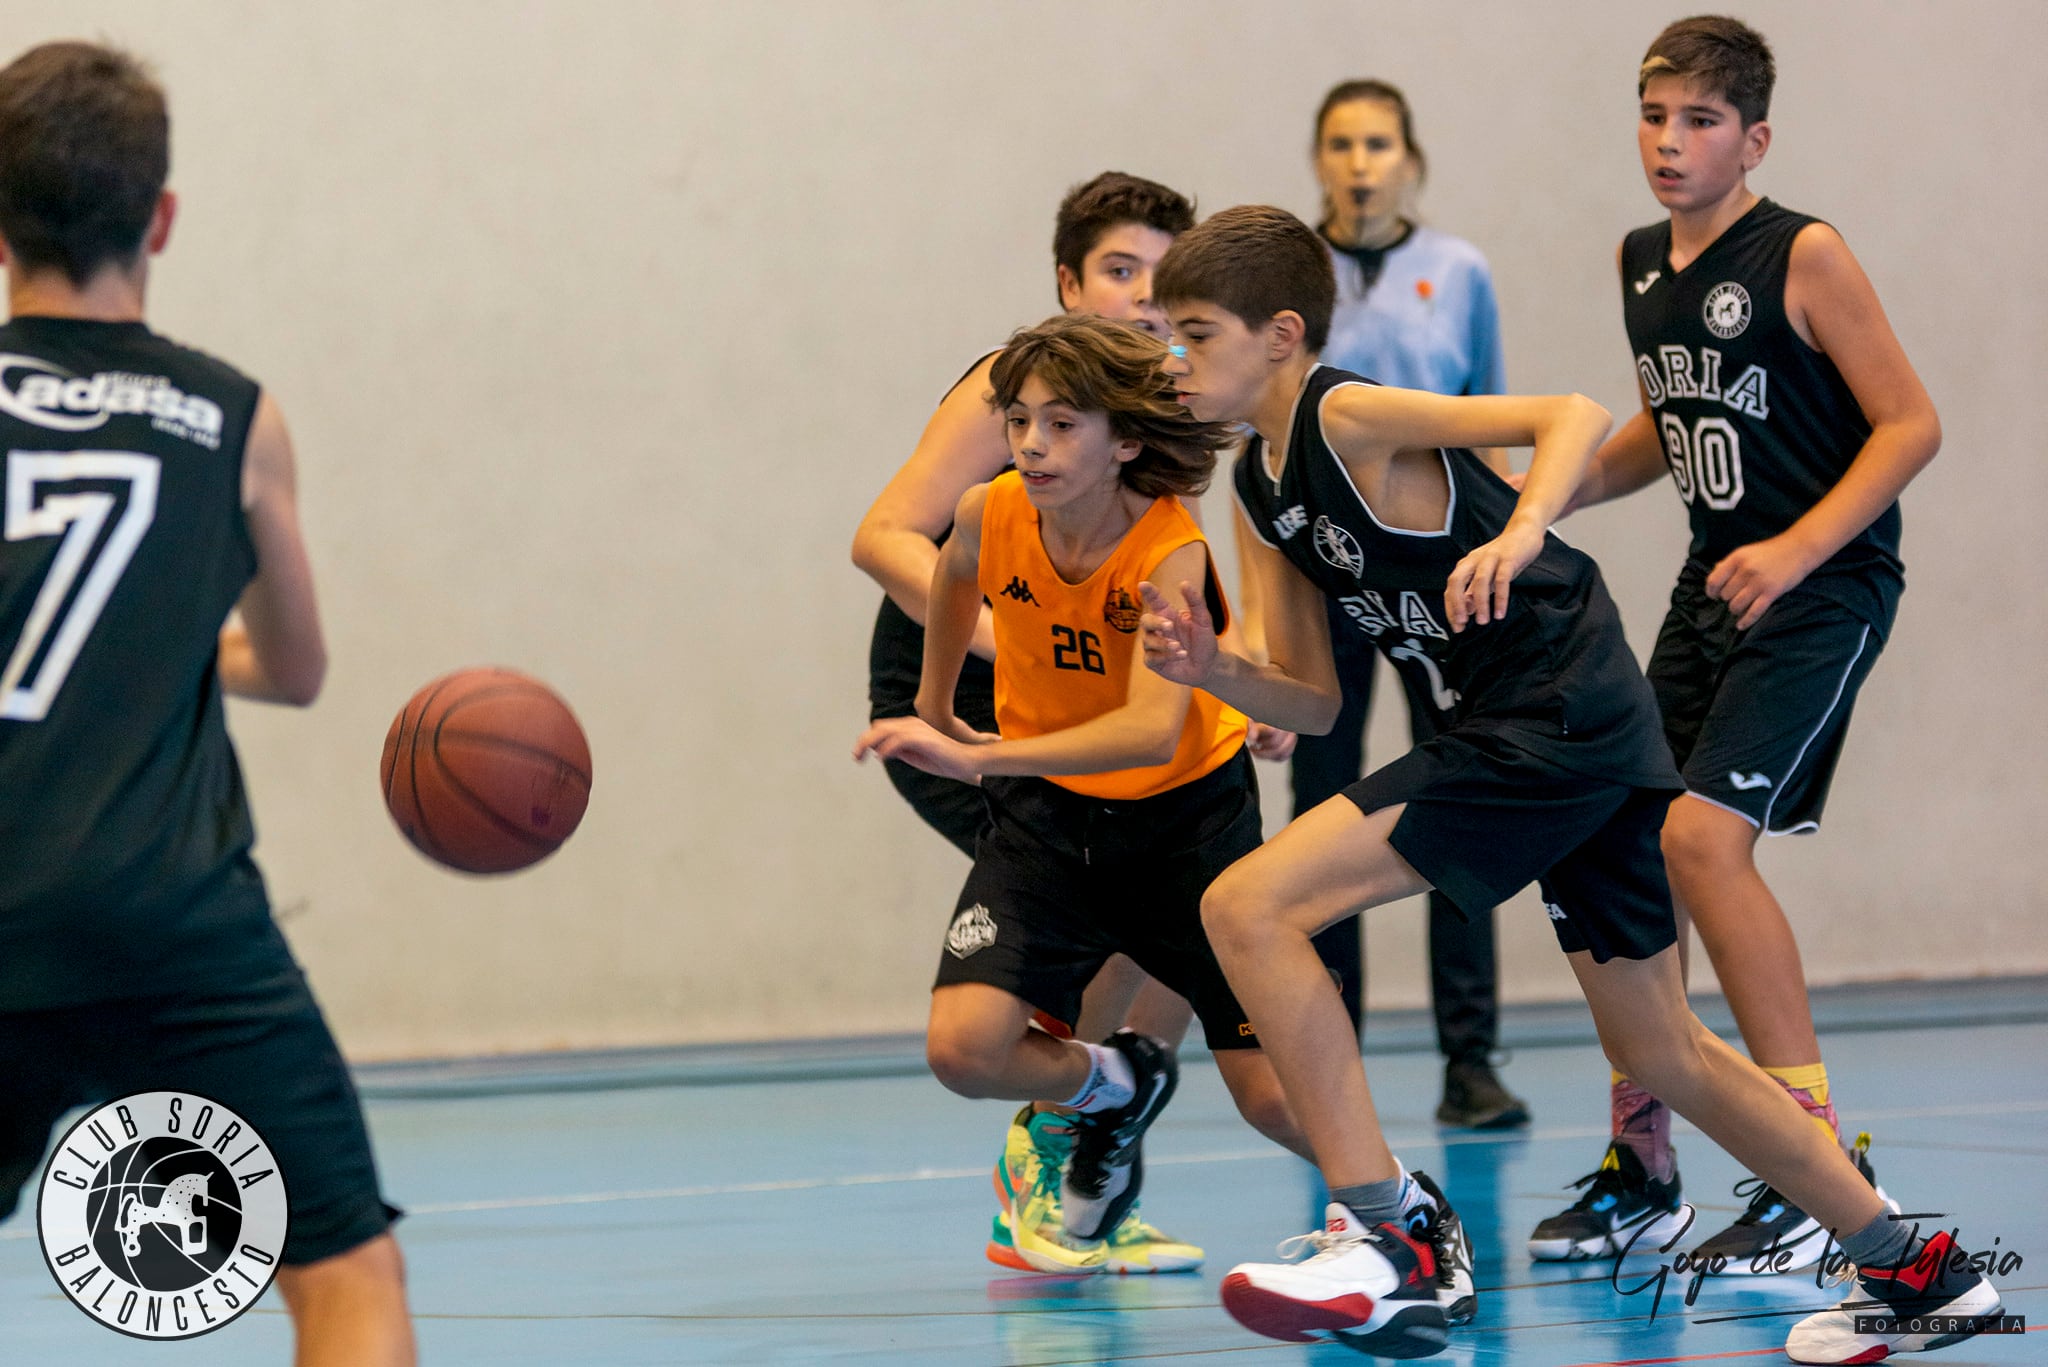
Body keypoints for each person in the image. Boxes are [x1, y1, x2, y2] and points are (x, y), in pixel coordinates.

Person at [1139, 204, 2000, 1363]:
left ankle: (1391, 1238)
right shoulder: (1259, 489)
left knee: (1244, 903)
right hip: (1567, 726)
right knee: (1660, 1049)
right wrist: (1217, 673)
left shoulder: (1346, 414)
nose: (1168, 360)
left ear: (1280, 332)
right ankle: (1920, 1275)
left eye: (1190, 332)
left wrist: (1521, 526)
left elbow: (1569, 414)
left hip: (1545, 710)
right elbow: (1313, 700)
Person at [854, 315, 1472, 1309]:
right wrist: (932, 708)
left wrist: (982, 753)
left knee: (1271, 1094)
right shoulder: (990, 508)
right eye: (1017, 421)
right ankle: (1117, 1081)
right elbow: (953, 573)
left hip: (1181, 830)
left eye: (1060, 424)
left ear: (1125, 441)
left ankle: (1406, 1216)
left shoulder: (1167, 549)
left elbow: (1147, 732)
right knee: (963, 1051)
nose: (1030, 444)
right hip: (1048, 827)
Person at [0, 42, 414, 1366]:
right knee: (345, 1269)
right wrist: (174, 646)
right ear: (160, 218)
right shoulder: (229, 415)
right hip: (167, 919)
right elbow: (294, 669)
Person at [1523, 16, 1935, 1278]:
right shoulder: (1639, 257)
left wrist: (1798, 548)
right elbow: (1671, 417)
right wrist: (1551, 494)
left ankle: (1811, 1164)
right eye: (1653, 116)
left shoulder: (1801, 251)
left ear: (1751, 139)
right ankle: (1643, 1166)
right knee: (1618, 834)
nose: (1668, 141)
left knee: (1702, 840)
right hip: (1717, 581)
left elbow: (1909, 424)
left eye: (1698, 121)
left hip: (1821, 584)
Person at [851, 172, 1258, 1274]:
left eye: (1160, 282)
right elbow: (885, 532)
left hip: (1083, 703)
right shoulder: (1012, 389)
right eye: (1117, 272)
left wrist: (1237, 683)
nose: (1139, 299)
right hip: (964, 702)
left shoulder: (1160, 405)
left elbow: (1187, 584)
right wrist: (999, 633)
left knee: (1156, 907)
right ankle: (1054, 1175)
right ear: (1066, 282)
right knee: (1103, 916)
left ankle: (1086, 1169)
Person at [1286, 77, 1524, 1128]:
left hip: (1435, 583)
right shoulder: (1290, 276)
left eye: (1378, 142)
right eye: (1340, 143)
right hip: (1324, 574)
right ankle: (1326, 1046)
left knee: (1454, 808)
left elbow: (1486, 420)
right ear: (1317, 159)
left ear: (1409, 158)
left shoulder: (1457, 272)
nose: (1359, 161)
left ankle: (1468, 1060)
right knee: (1322, 812)